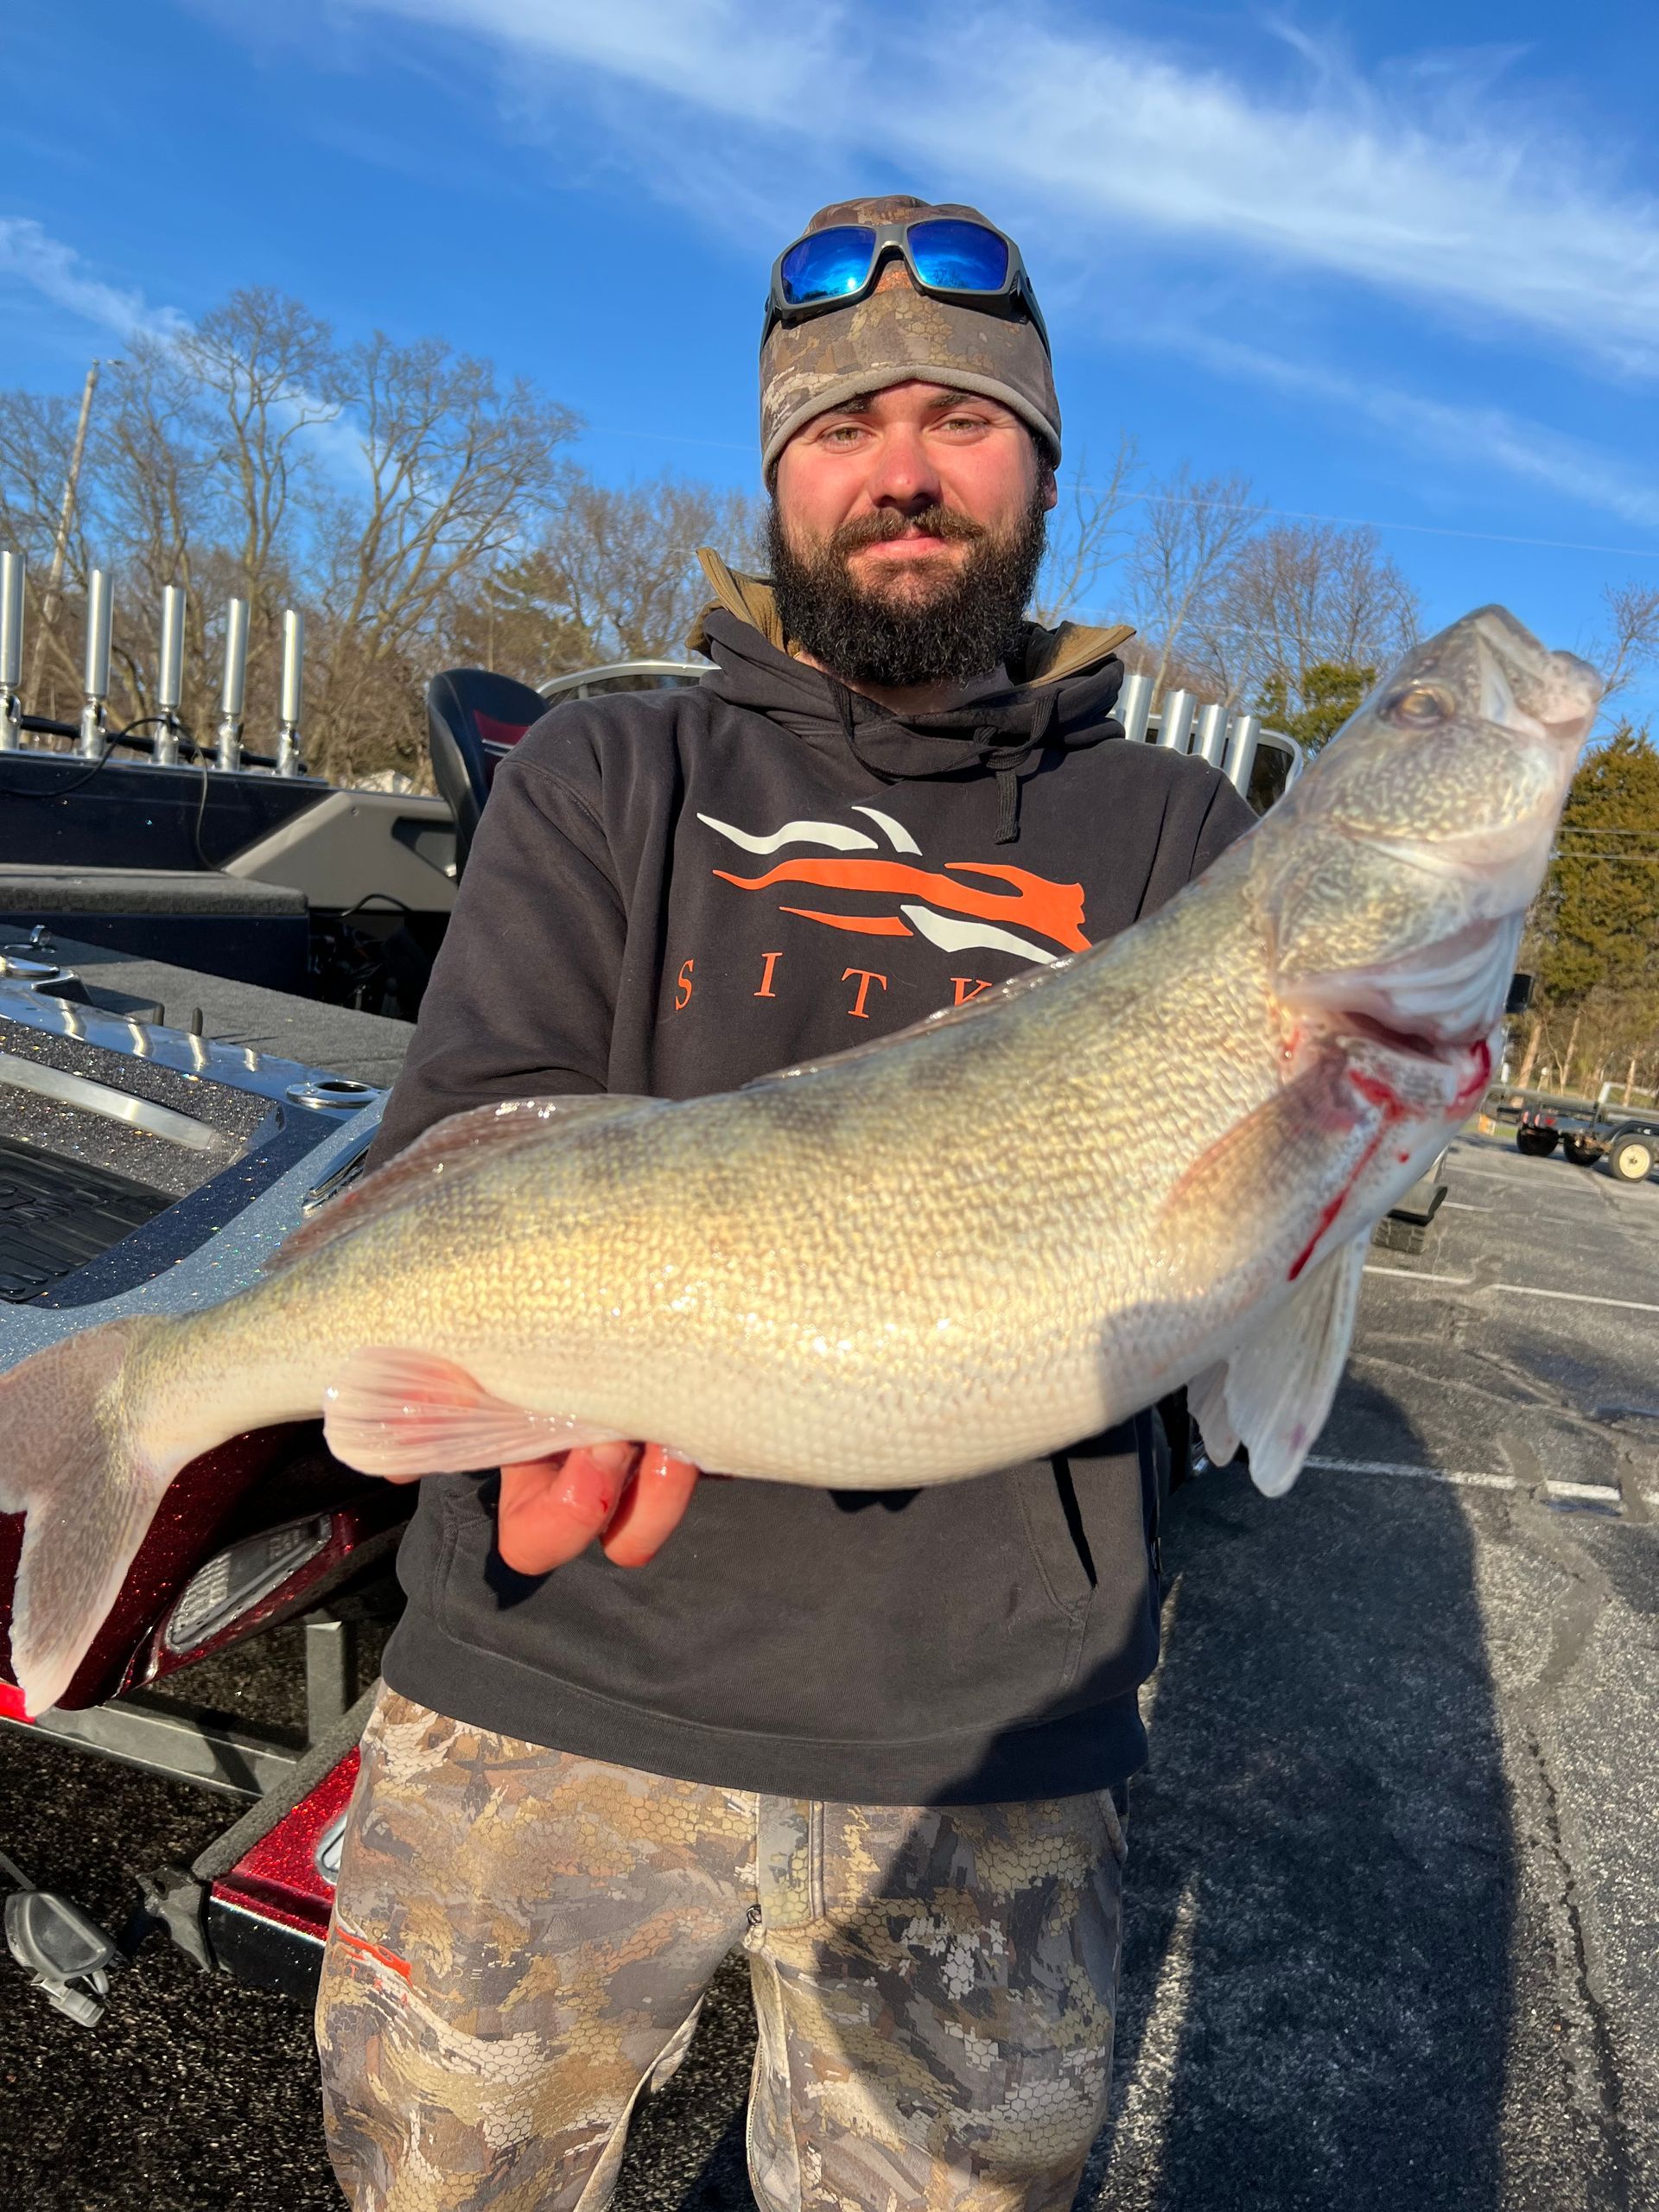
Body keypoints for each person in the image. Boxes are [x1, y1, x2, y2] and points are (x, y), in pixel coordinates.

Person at [316, 194, 1255, 2212]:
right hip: (552, 1693)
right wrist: (514, 1414)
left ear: (1045, 463)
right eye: (844, 428)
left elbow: (1252, 1234)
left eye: (961, 421)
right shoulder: (602, 768)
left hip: (989, 1746)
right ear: (776, 472)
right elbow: (480, 1126)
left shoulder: (1189, 832)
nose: (902, 469)